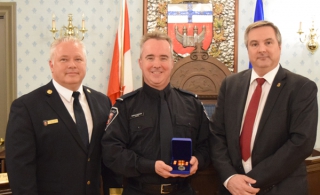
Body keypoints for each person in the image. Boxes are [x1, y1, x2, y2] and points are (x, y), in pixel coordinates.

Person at [210, 20, 318, 195]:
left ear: (279, 46)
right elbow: (217, 134)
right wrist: (230, 177)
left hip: (281, 188)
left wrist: (250, 182)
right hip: (232, 189)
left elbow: (301, 143)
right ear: (248, 49)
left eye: (268, 42)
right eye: (254, 44)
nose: (261, 49)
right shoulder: (231, 84)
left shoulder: (302, 88)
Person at [101, 31, 210, 195]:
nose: (156, 64)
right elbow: (111, 152)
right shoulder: (125, 106)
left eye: (163, 58)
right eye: (150, 58)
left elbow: (208, 145)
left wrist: (198, 160)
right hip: (139, 190)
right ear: (140, 62)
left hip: (182, 190)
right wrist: (149, 166)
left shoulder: (192, 104)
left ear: (172, 62)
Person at [5, 36, 112, 195]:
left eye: (78, 59)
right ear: (51, 65)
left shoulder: (102, 102)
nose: (72, 65)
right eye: (64, 59)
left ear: (85, 63)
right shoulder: (27, 106)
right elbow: (20, 169)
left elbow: (107, 157)